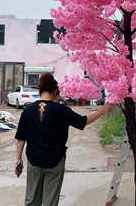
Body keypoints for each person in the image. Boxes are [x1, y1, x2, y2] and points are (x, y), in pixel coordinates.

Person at [14, 72, 113, 206]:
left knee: (31, 200)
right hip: (55, 161)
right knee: (50, 201)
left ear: (39, 91)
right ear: (55, 92)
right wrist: (102, 111)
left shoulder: (28, 110)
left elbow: (21, 138)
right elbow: (83, 121)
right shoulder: (62, 110)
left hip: (34, 161)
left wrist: (18, 159)